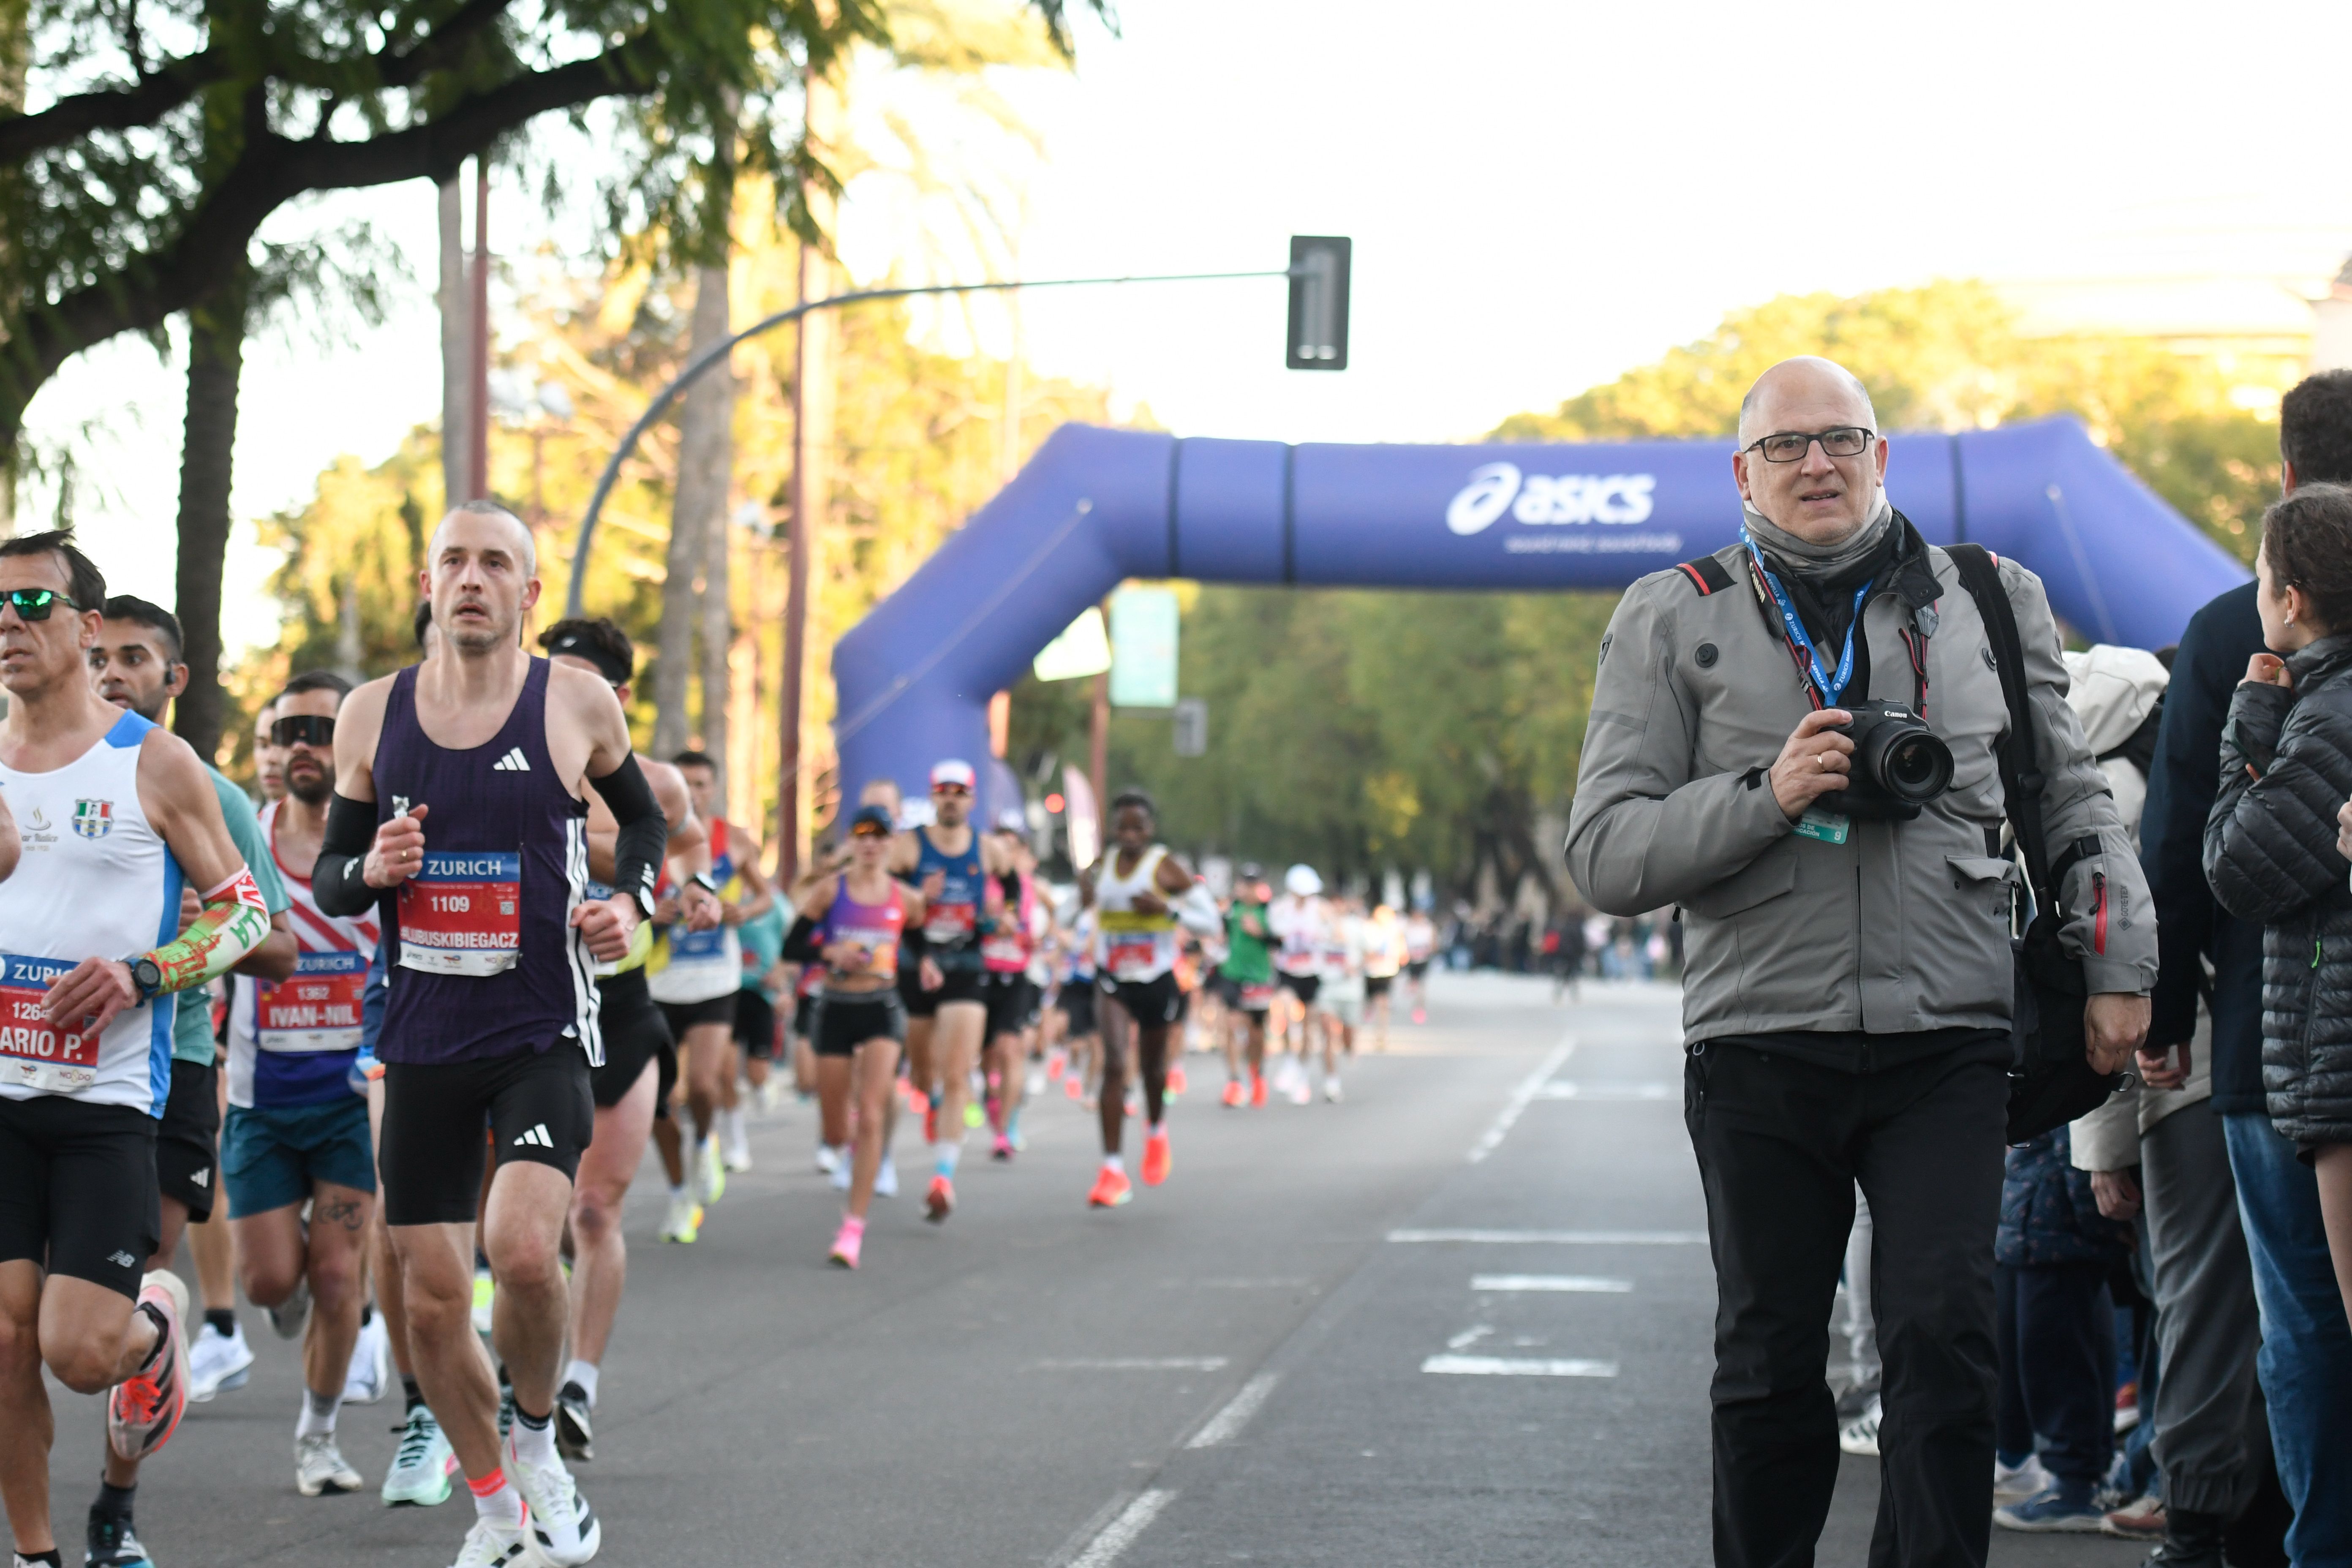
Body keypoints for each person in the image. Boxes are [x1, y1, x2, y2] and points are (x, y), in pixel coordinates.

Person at [1566, 358, 2153, 1568]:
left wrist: (2117, 957)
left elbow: (2073, 801)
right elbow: (1607, 853)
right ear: (1745, 474)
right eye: (1787, 447)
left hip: (1948, 1034)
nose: (1818, 464)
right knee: (1770, 1357)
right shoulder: (1670, 613)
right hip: (1758, 1039)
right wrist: (1766, 795)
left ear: (1883, 458)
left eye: (1843, 440)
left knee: (1944, 1335)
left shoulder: (1988, 597)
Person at [313, 502, 665, 1568]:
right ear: (428, 585)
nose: (472, 578)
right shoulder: (371, 715)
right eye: (454, 562)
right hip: (420, 1041)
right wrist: (372, 872)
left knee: (520, 1249)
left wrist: (633, 906)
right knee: (426, 1302)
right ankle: (498, 1512)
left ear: (528, 594)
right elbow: (334, 873)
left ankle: (536, 1434)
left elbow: (642, 826)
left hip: (538, 1031)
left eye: (495, 563)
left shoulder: (575, 701)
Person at [0, 533, 277, 1568]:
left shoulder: (152, 762)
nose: (10, 623)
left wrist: (142, 973)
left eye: (33, 600)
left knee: (77, 1353)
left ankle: (154, 1328)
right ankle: (34, 1554)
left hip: (112, 1099)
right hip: (2, 1092)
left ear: (83, 624)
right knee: (3, 1337)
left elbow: (245, 916)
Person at [2146, 370, 2352, 1568]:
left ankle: (2316, 1542)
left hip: (2272, 1044)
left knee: (2299, 1322)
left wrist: (2163, 1012)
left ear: (2284, 476)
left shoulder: (2236, 631)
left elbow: (2190, 843)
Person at [84, 596, 299, 1558]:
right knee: (38, 1323)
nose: (113, 674)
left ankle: (114, 1510)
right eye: (100, 657)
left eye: (135, 659)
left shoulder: (216, 797)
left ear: (173, 682)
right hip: (38, 1071)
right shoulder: (31, 785)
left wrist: (170, 953)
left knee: (126, 1295)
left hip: (169, 1068)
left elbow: (279, 945)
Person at [2208, 483, 2352, 1533]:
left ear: (2291, 600)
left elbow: (2234, 862)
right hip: (2322, 1054)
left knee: (2309, 1325)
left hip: (2333, 1060)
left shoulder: (2325, 714)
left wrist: (2247, 716)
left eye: (2261, 582)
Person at [536, 618, 716, 1459]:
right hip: (530, 1012)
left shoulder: (657, 783)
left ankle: (580, 1384)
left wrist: (701, 885)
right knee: (523, 1223)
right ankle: (517, 1367)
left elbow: (684, 841)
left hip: (623, 1007)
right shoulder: (514, 768)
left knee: (595, 1208)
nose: (560, 695)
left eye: (580, 680)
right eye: (551, 677)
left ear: (620, 697)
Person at [218, 670, 390, 1498]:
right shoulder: (241, 837)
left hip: (351, 1103)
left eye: (321, 730)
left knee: (335, 1274)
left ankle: (317, 1434)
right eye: (288, 732)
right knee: (268, 1282)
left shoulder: (383, 843)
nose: (302, 746)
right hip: (260, 1101)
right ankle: (281, 1297)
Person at [798, 804, 929, 1268]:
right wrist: (830, 950)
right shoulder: (830, 891)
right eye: (862, 835)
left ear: (891, 843)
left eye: (879, 836)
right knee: (837, 1132)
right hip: (836, 1008)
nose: (870, 844)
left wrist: (927, 964)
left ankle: (853, 1228)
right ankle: (851, 1149)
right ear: (852, 841)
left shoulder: (906, 897)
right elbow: (794, 944)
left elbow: (915, 938)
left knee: (872, 1114)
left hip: (882, 1008)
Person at [887, 760, 1016, 1223]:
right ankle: (932, 1100)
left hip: (966, 962)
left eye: (960, 791)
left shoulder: (986, 848)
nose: (951, 798)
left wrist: (1007, 914)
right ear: (933, 795)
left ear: (972, 799)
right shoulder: (910, 846)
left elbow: (1014, 879)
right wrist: (917, 897)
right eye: (943, 790)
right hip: (916, 960)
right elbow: (886, 893)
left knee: (958, 1071)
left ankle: (942, 1177)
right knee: (924, 1072)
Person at [1081, 792, 1219, 1207]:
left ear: (1150, 829)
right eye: (1122, 827)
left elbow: (1209, 922)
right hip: (1113, 978)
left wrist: (1166, 910)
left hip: (1157, 979)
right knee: (1116, 1064)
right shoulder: (1102, 867)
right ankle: (1112, 1170)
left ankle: (1156, 1129)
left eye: (1137, 827)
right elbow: (1076, 909)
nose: (1129, 835)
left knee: (1153, 1070)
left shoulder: (1166, 867)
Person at [653, 749, 770, 1190]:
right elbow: (618, 894)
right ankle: (679, 1186)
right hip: (659, 981)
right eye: (684, 783)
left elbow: (765, 896)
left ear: (714, 788)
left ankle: (705, 1142)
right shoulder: (648, 837)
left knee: (703, 1085)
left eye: (701, 784)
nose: (693, 792)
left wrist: (743, 911)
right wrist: (649, 913)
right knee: (664, 1099)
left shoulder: (733, 839)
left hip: (716, 980)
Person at [978, 813, 1043, 1161]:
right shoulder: (981, 882)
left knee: (1011, 1050)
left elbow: (1032, 929)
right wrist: (989, 924)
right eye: (999, 845)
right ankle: (990, 1095)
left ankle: (1006, 1130)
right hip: (980, 974)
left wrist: (1029, 936)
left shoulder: (1025, 887)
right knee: (987, 1056)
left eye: (1012, 846)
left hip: (1015, 976)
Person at [1215, 866, 1276, 1107]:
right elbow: (1218, 935)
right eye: (1245, 884)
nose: (1248, 889)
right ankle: (1234, 1082)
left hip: (1260, 976)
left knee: (1256, 1032)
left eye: (1253, 884)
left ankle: (1257, 1075)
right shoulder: (1231, 910)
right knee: (1230, 1026)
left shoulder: (1270, 911)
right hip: (1233, 974)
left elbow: (1280, 942)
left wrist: (1260, 933)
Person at [1402, 903, 1436, 1025]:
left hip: (1423, 959)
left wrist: (1426, 951)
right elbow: (1403, 941)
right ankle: (1411, 989)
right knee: (1413, 981)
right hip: (1411, 959)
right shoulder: (1408, 927)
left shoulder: (1428, 927)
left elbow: (1433, 943)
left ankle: (1419, 1009)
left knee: (1421, 985)